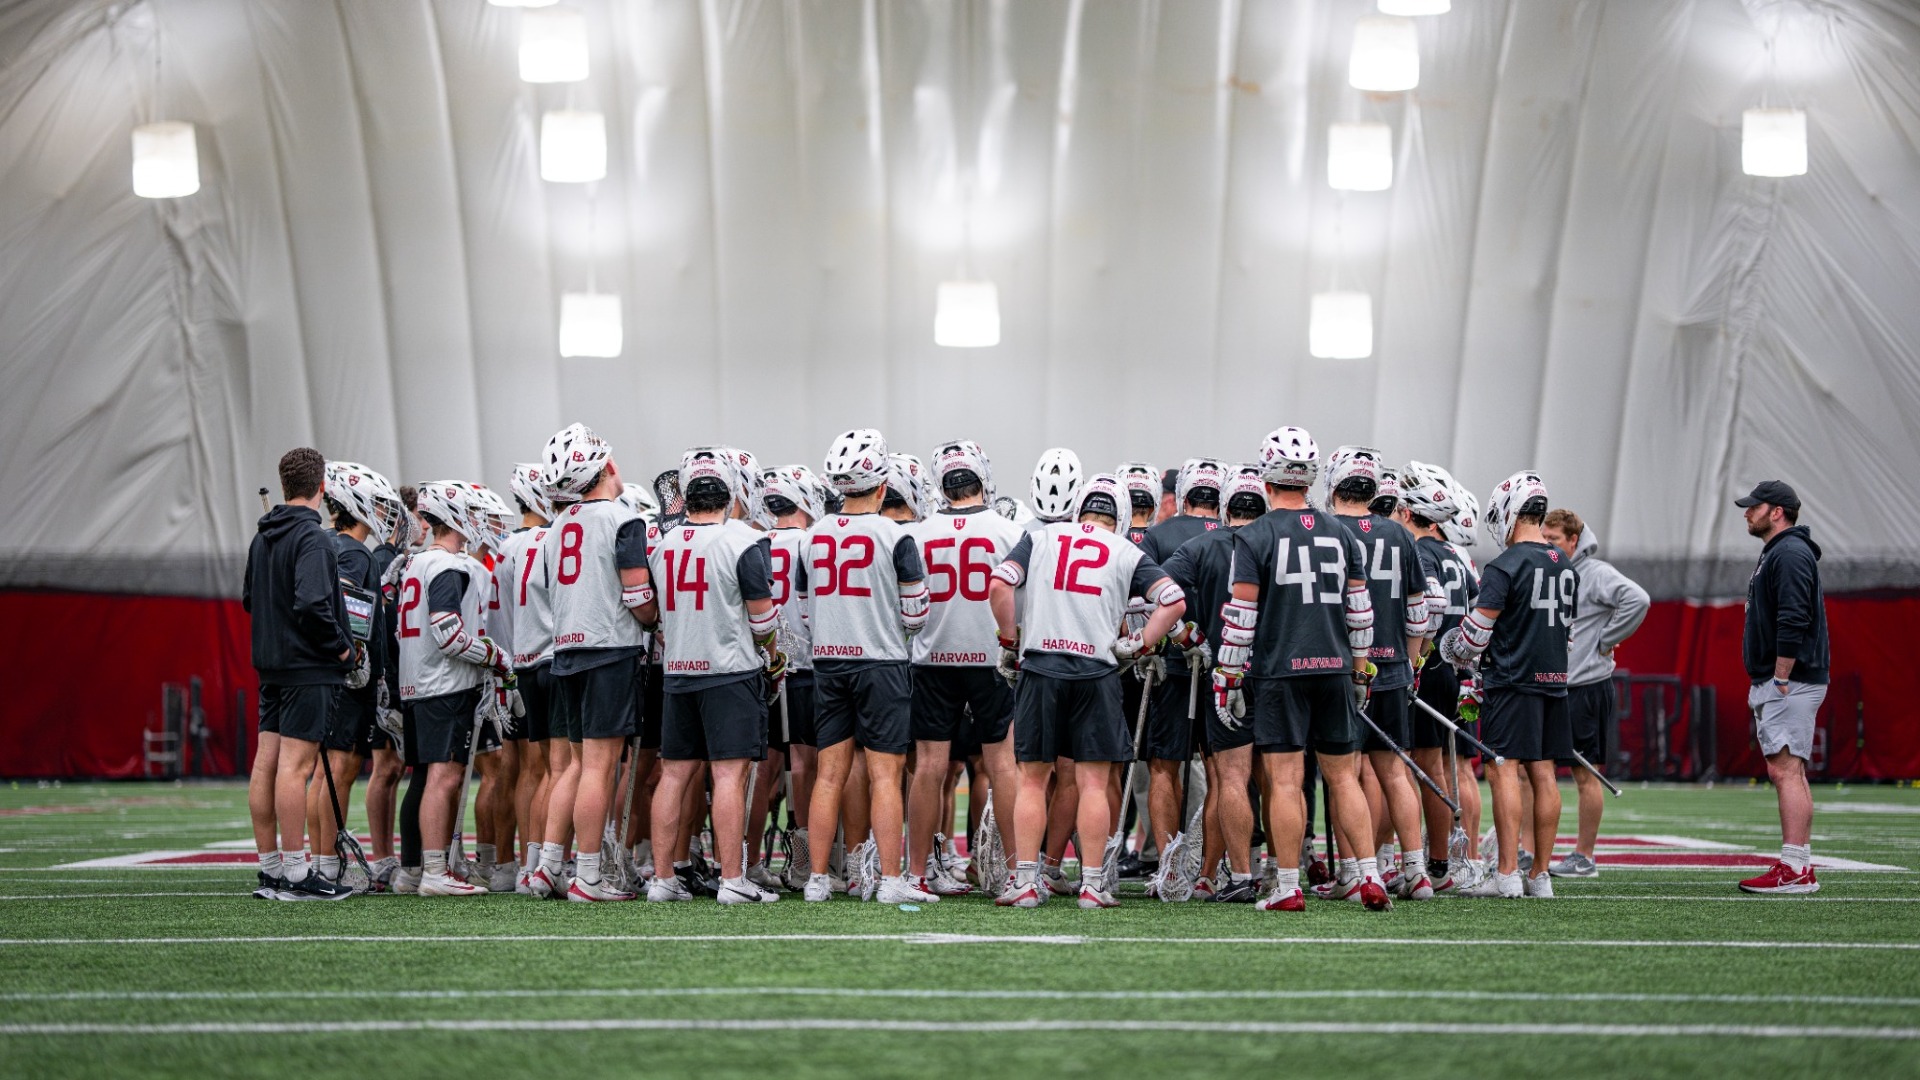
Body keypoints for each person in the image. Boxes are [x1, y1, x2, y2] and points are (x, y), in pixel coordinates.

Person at [989, 474, 1187, 908]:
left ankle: (1025, 882)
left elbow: (1000, 583)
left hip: (1040, 666)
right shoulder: (1126, 549)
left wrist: (1009, 640)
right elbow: (1174, 600)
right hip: (1096, 671)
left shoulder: (1043, 538)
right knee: (1094, 782)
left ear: (1079, 510)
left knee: (1032, 780)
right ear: (1118, 515)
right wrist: (1140, 642)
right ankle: (1093, 885)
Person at [1214, 427, 1388, 912]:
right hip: (1335, 669)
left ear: (1265, 475)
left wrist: (1228, 677)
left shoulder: (1253, 536)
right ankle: (1368, 876)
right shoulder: (1343, 533)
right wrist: (1359, 672)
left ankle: (1287, 885)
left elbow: (1241, 617)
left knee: (1287, 781)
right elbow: (1361, 615)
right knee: (1344, 778)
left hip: (1279, 671)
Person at [800, 429, 936, 905]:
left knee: (829, 773)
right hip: (880, 662)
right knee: (885, 774)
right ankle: (891, 880)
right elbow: (917, 614)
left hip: (828, 662)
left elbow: (801, 608)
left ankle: (818, 879)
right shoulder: (895, 536)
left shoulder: (812, 536)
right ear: (881, 487)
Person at [644, 448, 784, 905]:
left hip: (678, 671)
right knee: (729, 777)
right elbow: (763, 622)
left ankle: (663, 879)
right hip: (729, 671)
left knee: (673, 776)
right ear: (731, 495)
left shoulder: (664, 545)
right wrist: (774, 655)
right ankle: (732, 879)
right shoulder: (741, 542)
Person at [526, 423, 658, 902]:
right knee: (600, 769)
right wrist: (655, 620)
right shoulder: (623, 518)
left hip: (566, 650)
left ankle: (546, 867)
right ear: (605, 467)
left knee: (576, 768)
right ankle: (588, 877)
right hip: (608, 649)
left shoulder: (557, 525)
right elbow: (639, 594)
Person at [1442, 471, 1575, 900]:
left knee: (1504, 771)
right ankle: (1540, 874)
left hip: (1512, 679)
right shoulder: (1565, 564)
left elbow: (1476, 634)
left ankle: (1505, 873)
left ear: (1511, 513)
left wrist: (1453, 648)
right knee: (1545, 773)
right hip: (1555, 678)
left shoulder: (1505, 565)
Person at [906, 439, 1026, 897]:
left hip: (933, 658)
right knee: (1002, 765)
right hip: (990, 656)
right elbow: (1019, 598)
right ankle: (1019, 873)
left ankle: (916, 873)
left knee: (930, 766)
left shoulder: (918, 533)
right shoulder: (1007, 530)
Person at [243, 447, 357, 901]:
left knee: (266, 764)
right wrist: (342, 649)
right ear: (322, 487)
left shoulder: (262, 536)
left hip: (272, 665)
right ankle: (293, 873)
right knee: (295, 768)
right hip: (307, 666)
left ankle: (271, 868)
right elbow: (312, 603)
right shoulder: (312, 538)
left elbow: (251, 599)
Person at [1325, 447, 1433, 901]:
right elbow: (1418, 612)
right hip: (1391, 668)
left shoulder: (1327, 531)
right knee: (1395, 773)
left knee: (1344, 774)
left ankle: (1354, 871)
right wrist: (1409, 664)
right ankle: (1416, 871)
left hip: (1342, 668)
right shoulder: (1400, 534)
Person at [1160, 467, 1268, 900]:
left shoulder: (1202, 545)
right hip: (1280, 673)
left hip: (1227, 672)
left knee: (1230, 779)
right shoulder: (1281, 542)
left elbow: (1151, 592)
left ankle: (1233, 875)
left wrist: (1186, 636)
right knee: (1283, 779)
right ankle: (1284, 873)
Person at [395, 482, 507, 897]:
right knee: (444, 777)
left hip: (420, 682)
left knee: (430, 777)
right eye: (472, 511)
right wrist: (493, 656)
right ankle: (435, 871)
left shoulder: (418, 564)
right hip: (442, 683)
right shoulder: (447, 566)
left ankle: (422, 869)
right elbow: (449, 634)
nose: (478, 521)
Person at [306, 461, 402, 890]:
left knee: (325, 771)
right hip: (346, 677)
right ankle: (326, 862)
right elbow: (348, 612)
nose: (381, 512)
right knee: (339, 770)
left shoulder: (328, 542)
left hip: (324, 674)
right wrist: (356, 658)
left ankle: (322, 858)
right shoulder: (353, 551)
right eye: (376, 503)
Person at [1540, 508, 1648, 878]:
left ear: (1574, 540)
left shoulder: (1596, 573)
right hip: (1552, 684)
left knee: (1585, 773)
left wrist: (1606, 639)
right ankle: (1527, 850)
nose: (1547, 546)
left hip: (1586, 686)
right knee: (1534, 770)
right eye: (1544, 538)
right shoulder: (1549, 572)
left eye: (1553, 540)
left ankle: (1584, 856)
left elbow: (1638, 599)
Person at [1734, 480, 1829, 895]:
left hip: (1793, 679)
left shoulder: (1788, 551)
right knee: (1790, 770)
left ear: (1777, 512)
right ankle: (1800, 865)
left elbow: (1795, 615)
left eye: (1754, 507)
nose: (1746, 512)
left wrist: (1781, 676)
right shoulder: (1780, 551)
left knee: (1784, 770)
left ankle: (1792, 868)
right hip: (1791, 677)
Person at [1136, 458, 1226, 893]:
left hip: (1173, 664)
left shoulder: (1159, 534)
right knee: (1224, 773)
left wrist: (1169, 637)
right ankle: (1210, 872)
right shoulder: (1236, 536)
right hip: (1227, 667)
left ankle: (1169, 867)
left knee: (1163, 768)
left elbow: (1142, 602)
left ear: (1185, 496)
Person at [1396, 462, 1481, 890]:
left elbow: (1427, 605)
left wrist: (1417, 657)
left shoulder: (1420, 551)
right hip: (1453, 667)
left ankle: (1423, 862)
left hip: (1427, 665)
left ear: (1410, 513)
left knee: (1409, 767)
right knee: (1442, 768)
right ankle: (1439, 861)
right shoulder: (1455, 555)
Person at [494, 464, 558, 893]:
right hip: (550, 655)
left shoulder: (503, 548)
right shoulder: (550, 539)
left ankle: (520, 863)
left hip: (517, 661)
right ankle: (539, 863)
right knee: (552, 768)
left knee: (521, 770)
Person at [761, 465, 824, 890]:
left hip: (762, 664)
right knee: (809, 764)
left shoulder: (755, 541)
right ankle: (806, 856)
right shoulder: (811, 542)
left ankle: (748, 861)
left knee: (763, 768)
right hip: (805, 663)